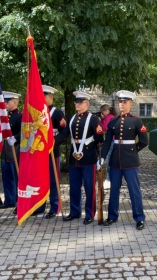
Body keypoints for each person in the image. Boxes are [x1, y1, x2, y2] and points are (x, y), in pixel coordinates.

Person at [98, 90, 148, 230]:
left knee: (134, 190)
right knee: (114, 190)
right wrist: (102, 157)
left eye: (125, 102)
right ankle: (112, 216)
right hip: (115, 160)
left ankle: (139, 218)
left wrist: (133, 149)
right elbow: (107, 141)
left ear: (130, 104)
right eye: (120, 102)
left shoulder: (136, 121)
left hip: (131, 161)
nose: (122, 104)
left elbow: (144, 141)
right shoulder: (113, 120)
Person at [55, 91, 104, 225]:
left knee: (89, 187)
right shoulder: (71, 118)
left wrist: (100, 157)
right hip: (74, 158)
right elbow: (64, 134)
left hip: (88, 157)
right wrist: (51, 142)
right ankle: (75, 211)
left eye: (80, 102)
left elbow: (99, 139)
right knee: (74, 186)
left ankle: (89, 213)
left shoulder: (94, 119)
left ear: (87, 104)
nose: (77, 104)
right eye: (76, 102)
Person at [39, 85, 67, 219]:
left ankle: (54, 207)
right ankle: (40, 205)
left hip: (52, 152)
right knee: (40, 179)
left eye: (45, 96)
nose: (42, 99)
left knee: (53, 181)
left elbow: (64, 133)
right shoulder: (38, 111)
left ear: (51, 97)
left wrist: (54, 142)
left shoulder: (57, 113)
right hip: (39, 151)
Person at [0, 91, 22, 210]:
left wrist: (15, 138)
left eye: (8, 101)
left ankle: (19, 202)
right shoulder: (5, 117)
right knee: (6, 178)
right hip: (6, 151)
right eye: (4, 101)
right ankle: (9, 200)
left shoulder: (20, 116)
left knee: (17, 179)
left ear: (15, 102)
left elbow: (24, 132)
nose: (5, 103)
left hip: (15, 150)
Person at [99, 104, 117, 189]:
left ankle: (108, 179)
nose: (102, 114)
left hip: (111, 140)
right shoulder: (110, 117)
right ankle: (110, 178)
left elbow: (105, 128)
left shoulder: (110, 117)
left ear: (106, 111)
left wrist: (100, 121)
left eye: (102, 112)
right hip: (111, 140)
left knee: (109, 158)